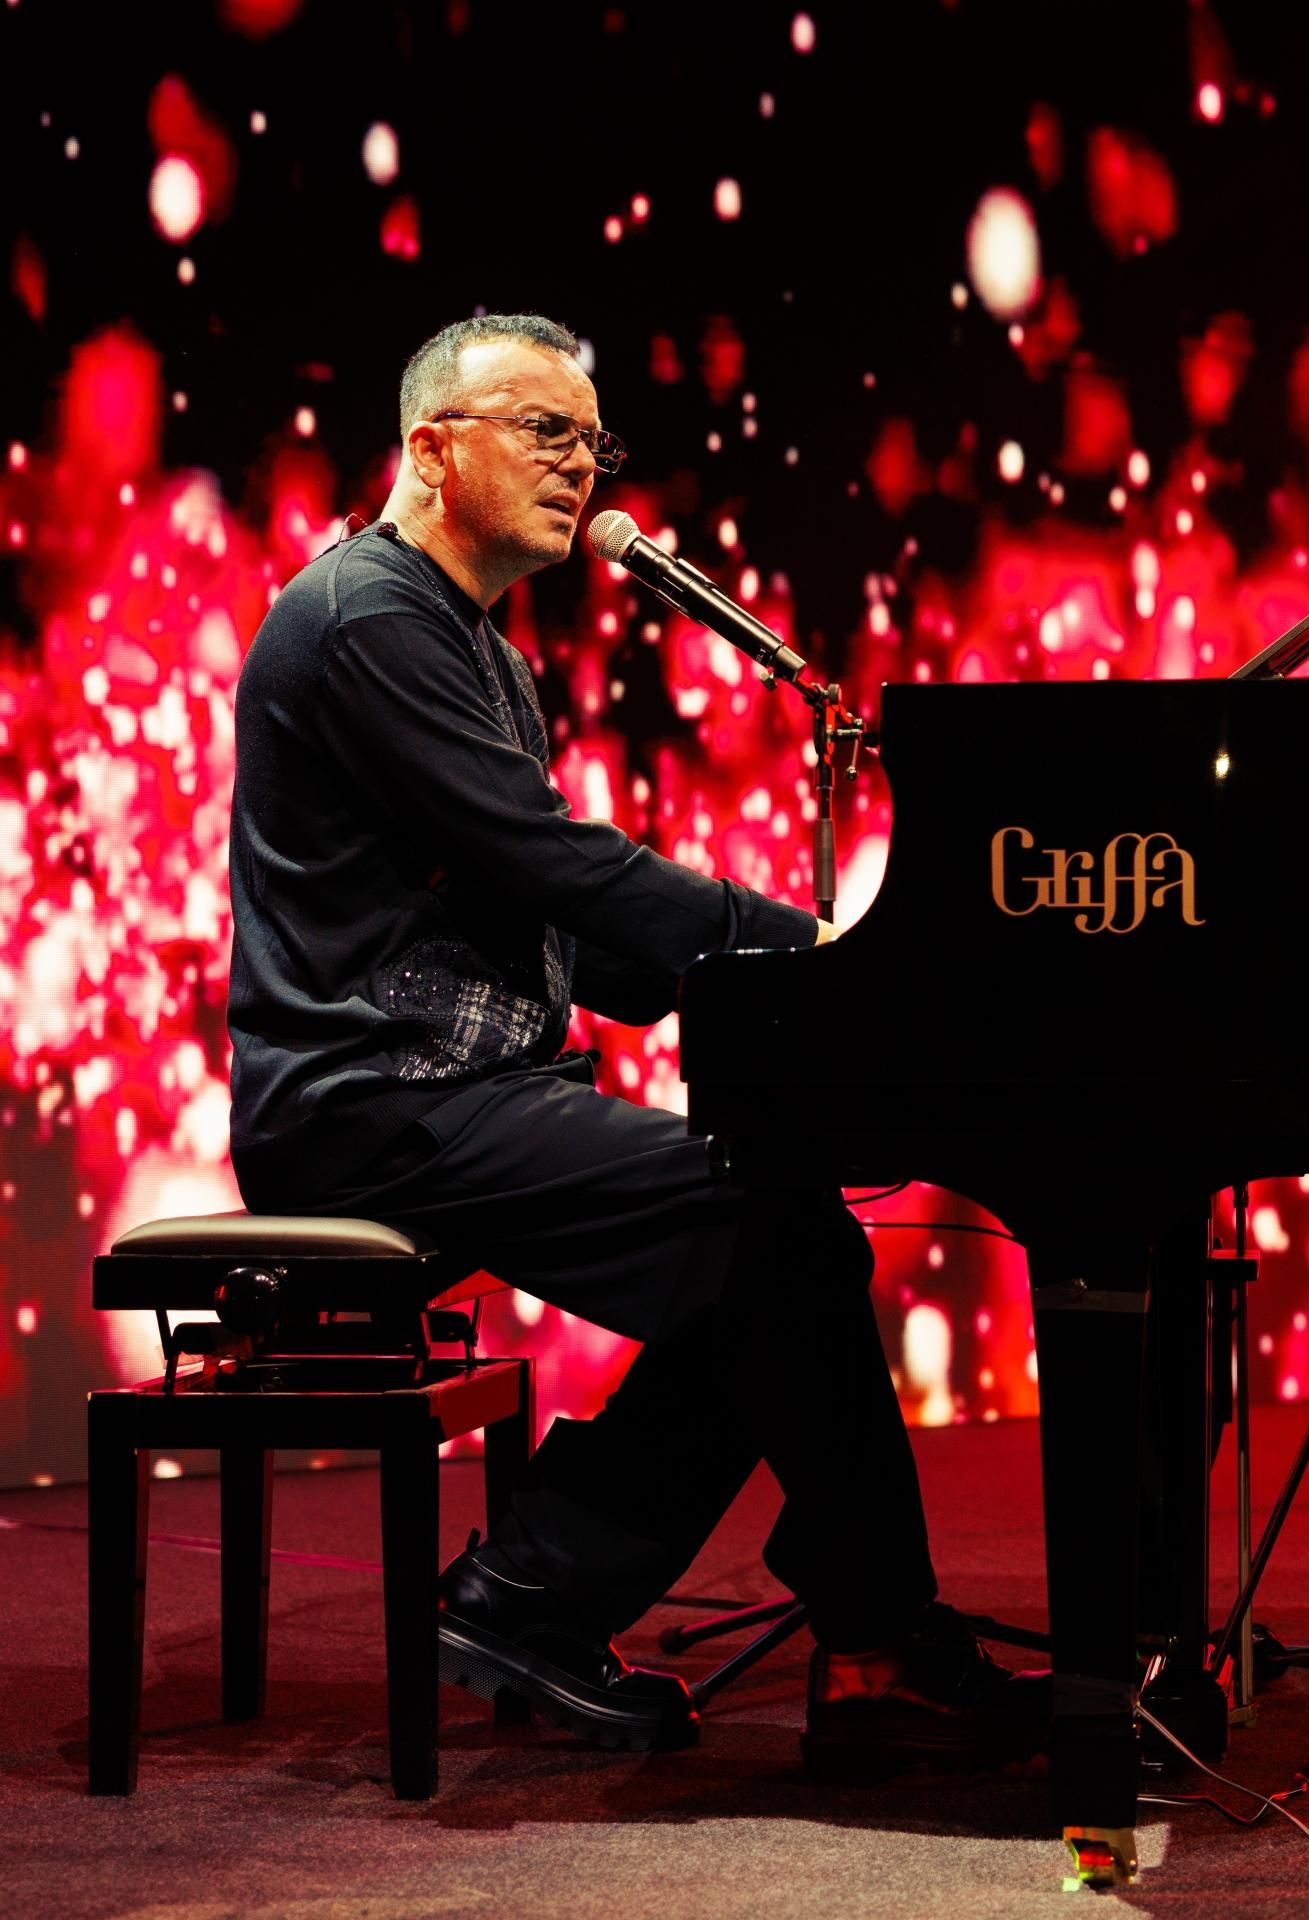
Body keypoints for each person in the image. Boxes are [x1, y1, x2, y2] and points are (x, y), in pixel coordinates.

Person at [226, 312, 1044, 1769]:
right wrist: (815, 946)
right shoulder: (366, 618)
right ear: (433, 449)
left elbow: (561, 922)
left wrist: (765, 973)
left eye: (592, 442)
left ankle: (542, 1596)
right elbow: (551, 863)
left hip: (462, 1089)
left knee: (776, 1246)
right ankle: (863, 1641)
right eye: (546, 432)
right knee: (774, 1231)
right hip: (369, 1100)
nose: (581, 468)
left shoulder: (477, 650)